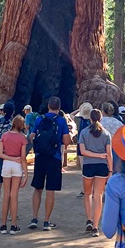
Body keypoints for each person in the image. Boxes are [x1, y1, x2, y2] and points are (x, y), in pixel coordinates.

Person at [28, 95, 70, 230]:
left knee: (37, 188)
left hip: (40, 156)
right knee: (50, 190)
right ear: (59, 107)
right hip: (54, 157)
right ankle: (47, 221)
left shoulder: (40, 119)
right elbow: (66, 140)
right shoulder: (61, 121)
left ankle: (34, 218)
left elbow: (31, 136)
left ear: (48, 106)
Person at [79, 108, 112, 236]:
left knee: (87, 193)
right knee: (98, 195)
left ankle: (89, 219)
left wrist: (95, 155)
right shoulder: (106, 134)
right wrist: (110, 169)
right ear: (101, 118)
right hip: (102, 167)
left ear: (90, 118)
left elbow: (83, 151)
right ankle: (96, 226)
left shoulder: (84, 133)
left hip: (88, 165)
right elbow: (109, 154)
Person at [0, 114, 28, 234]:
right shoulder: (22, 138)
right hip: (17, 165)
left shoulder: (5, 135)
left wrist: (9, 158)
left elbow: (0, 154)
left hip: (7, 163)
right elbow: (23, 157)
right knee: (14, 196)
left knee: (6, 196)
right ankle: (14, 225)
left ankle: (3, 225)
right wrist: (25, 173)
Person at [74, 101, 93, 197]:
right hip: (91, 146)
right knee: (93, 167)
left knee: (84, 168)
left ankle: (84, 189)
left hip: (81, 146)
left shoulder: (78, 120)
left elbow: (70, 115)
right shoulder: (93, 121)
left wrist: (79, 110)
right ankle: (92, 189)